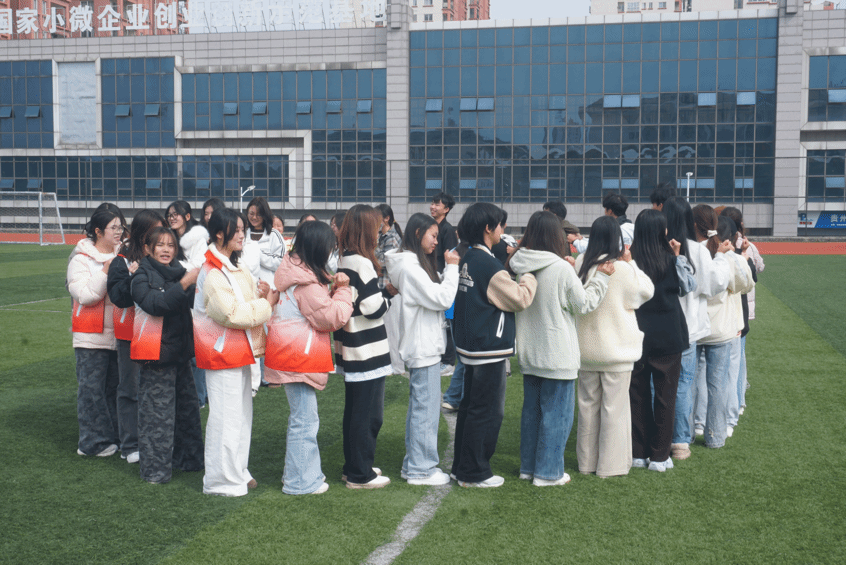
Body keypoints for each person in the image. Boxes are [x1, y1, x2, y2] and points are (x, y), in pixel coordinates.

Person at [507, 211, 611, 487]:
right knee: (557, 416)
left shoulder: (521, 265)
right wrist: (601, 278)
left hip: (530, 352)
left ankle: (529, 467)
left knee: (532, 414)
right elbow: (583, 304)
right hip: (558, 353)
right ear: (556, 236)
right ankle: (548, 472)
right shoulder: (560, 268)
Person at [451, 203, 537, 488]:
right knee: (486, 411)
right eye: (500, 224)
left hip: (471, 345)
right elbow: (520, 299)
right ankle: (474, 472)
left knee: (470, 408)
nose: (503, 229)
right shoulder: (488, 265)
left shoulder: (470, 256)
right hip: (488, 347)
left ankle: (461, 467)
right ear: (488, 228)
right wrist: (529, 275)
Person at [265, 221, 353, 495]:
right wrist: (344, 290)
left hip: (289, 353)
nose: (331, 254)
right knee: (304, 421)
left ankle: (297, 475)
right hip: (298, 357)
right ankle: (300, 481)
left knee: (302, 418)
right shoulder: (305, 283)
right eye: (329, 248)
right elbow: (332, 317)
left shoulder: (293, 272)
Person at [194, 208, 277, 496]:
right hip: (220, 350)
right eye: (237, 230)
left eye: (243, 229)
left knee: (240, 415)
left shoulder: (232, 265)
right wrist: (266, 304)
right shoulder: (212, 271)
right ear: (220, 234)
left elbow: (242, 304)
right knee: (225, 417)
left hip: (239, 349)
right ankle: (220, 480)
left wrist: (260, 295)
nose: (242, 235)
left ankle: (238, 470)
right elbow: (231, 314)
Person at [575, 216, 654, 478]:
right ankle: (611, 465)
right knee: (614, 410)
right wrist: (631, 263)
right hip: (617, 350)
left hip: (586, 349)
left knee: (587, 408)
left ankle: (586, 463)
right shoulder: (622, 268)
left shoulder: (581, 263)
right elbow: (645, 291)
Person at [384, 213, 460, 486]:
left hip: (423, 344)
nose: (436, 242)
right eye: (433, 236)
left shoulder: (411, 263)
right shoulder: (411, 268)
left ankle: (415, 465)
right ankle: (420, 468)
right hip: (422, 346)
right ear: (418, 234)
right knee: (425, 411)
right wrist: (452, 268)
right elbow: (442, 298)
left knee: (422, 409)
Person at [130, 227, 204, 484]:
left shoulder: (181, 272)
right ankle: (155, 471)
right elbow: (155, 305)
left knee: (188, 412)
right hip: (156, 356)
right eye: (160, 245)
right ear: (148, 248)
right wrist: (185, 283)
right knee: (157, 417)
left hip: (181, 353)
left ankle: (190, 461)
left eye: (171, 245)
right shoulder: (141, 276)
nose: (166, 250)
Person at [663, 197, 731, 461]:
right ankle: (680, 440)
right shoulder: (696, 250)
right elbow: (714, 285)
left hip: (657, 327)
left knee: (657, 384)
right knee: (683, 384)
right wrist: (721, 259)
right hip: (688, 327)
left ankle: (659, 437)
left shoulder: (655, 246)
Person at [628, 210, 696, 473]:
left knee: (637, 394)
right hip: (669, 335)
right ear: (661, 232)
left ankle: (638, 452)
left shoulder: (630, 262)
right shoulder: (671, 260)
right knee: (666, 397)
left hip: (637, 334)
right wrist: (678, 256)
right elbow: (689, 286)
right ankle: (659, 456)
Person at [334, 205, 394, 489]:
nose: (379, 232)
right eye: (376, 227)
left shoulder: (344, 258)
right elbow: (373, 308)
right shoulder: (362, 262)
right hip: (366, 348)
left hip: (351, 345)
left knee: (355, 411)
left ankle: (354, 467)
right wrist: (389, 296)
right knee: (368, 414)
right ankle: (360, 473)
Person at [691, 207, 754, 449]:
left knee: (693, 381)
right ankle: (716, 434)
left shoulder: (693, 252)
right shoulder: (729, 258)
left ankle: (694, 426)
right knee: (718, 383)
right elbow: (746, 284)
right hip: (722, 329)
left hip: (697, 326)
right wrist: (738, 257)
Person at [107, 209, 165, 464]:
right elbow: (118, 297)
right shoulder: (121, 260)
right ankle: (130, 444)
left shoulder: (161, 258)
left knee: (155, 390)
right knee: (130, 389)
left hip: (156, 332)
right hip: (130, 334)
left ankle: (154, 439)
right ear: (143, 233)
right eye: (155, 230)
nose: (160, 235)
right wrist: (134, 277)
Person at [67, 206, 124, 457]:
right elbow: (85, 295)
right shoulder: (80, 259)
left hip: (120, 334)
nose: (119, 232)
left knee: (115, 389)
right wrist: (105, 271)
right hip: (90, 336)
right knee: (92, 391)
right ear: (99, 231)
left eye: (121, 227)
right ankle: (92, 443)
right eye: (114, 228)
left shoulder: (124, 254)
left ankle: (114, 437)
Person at [719, 206, 764, 423]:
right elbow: (758, 269)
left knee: (732, 358)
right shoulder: (747, 246)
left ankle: (735, 402)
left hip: (734, 307)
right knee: (739, 356)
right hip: (743, 307)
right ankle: (738, 402)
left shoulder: (720, 248)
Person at [430, 192, 459, 376]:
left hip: (445, 280)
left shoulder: (447, 230)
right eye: (432, 203)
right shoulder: (432, 227)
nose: (433, 207)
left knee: (448, 322)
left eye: (437, 204)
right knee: (438, 321)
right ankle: (441, 358)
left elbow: (451, 258)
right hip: (433, 278)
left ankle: (448, 362)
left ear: (446, 209)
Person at [375, 203, 405, 376]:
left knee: (393, 331)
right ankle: (390, 364)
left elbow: (385, 263)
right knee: (386, 330)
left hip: (391, 289)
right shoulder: (382, 236)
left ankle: (397, 366)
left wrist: (372, 263)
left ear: (386, 218)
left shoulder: (392, 237)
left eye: (377, 217)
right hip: (383, 287)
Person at [570, 192, 634, 254]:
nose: (605, 213)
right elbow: (597, 243)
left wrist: (575, 241)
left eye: (605, 210)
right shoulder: (633, 228)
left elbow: (594, 250)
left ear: (610, 211)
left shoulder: (611, 230)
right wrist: (582, 239)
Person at [166, 201, 209, 270]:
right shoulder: (167, 238)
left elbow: (198, 266)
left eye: (175, 214)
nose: (171, 218)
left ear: (187, 216)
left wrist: (173, 265)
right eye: (169, 215)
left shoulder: (198, 238)